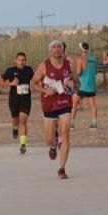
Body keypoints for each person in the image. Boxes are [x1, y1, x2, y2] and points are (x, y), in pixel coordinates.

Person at [32, 40, 77, 179]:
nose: (57, 49)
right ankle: (52, 146)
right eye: (54, 47)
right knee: (49, 139)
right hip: (49, 104)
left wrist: (73, 83)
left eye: (59, 47)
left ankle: (62, 168)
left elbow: (77, 82)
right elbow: (33, 84)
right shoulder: (44, 66)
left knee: (66, 134)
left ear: (63, 50)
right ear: (50, 50)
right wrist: (45, 89)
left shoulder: (70, 64)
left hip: (65, 102)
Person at [0, 52, 34, 154]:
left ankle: (23, 144)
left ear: (25, 61)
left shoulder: (29, 70)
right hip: (14, 100)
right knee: (15, 120)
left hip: (26, 100)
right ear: (15, 61)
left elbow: (36, 79)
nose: (21, 62)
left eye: (23, 60)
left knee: (23, 120)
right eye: (19, 60)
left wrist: (39, 85)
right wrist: (11, 83)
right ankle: (15, 128)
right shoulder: (10, 71)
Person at [72, 42, 98, 130]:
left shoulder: (80, 59)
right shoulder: (93, 58)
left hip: (83, 85)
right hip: (91, 85)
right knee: (92, 104)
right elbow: (95, 71)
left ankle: (71, 123)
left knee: (74, 103)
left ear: (81, 49)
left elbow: (79, 72)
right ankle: (94, 124)